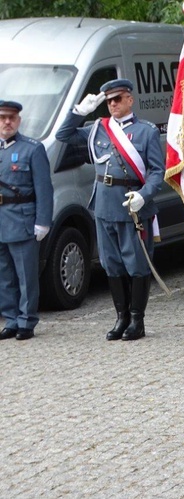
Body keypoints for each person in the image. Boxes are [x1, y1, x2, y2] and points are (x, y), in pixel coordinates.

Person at [56, 79, 164, 341]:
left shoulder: (146, 131)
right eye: (109, 101)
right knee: (111, 264)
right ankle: (121, 317)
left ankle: (137, 320)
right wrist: (78, 113)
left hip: (132, 207)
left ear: (130, 99)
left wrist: (143, 195)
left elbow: (157, 172)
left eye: (118, 99)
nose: (113, 104)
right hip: (104, 205)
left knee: (136, 264)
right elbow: (63, 136)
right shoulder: (97, 129)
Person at [0, 100, 53, 341]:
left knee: (26, 275)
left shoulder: (32, 149)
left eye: (11, 118)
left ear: (19, 121)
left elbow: (44, 189)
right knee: (5, 275)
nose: (7, 122)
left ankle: (26, 321)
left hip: (22, 220)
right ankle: (10, 319)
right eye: (2, 118)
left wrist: (43, 221)